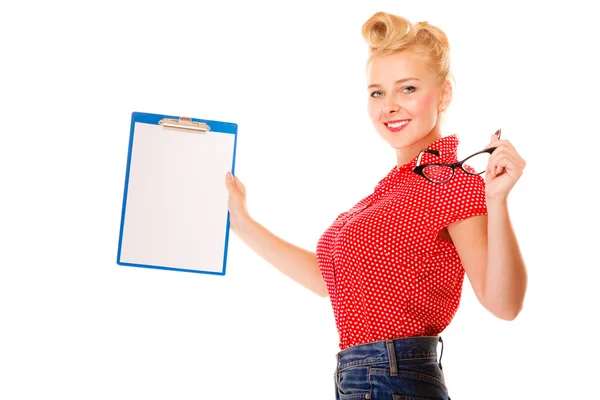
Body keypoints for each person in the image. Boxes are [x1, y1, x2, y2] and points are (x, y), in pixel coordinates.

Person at [225, 10, 527, 400]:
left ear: (445, 93)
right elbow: (328, 280)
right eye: (377, 92)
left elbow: (504, 304)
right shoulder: (391, 192)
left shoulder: (451, 183)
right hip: (360, 380)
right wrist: (243, 223)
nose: (389, 106)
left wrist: (497, 201)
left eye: (408, 89)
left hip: (394, 379)